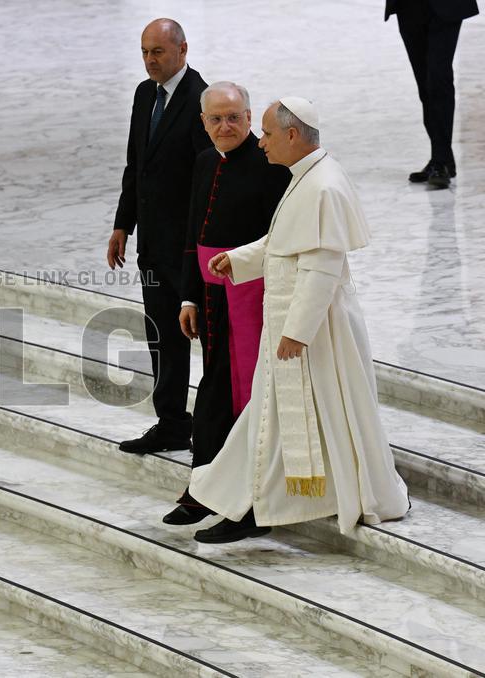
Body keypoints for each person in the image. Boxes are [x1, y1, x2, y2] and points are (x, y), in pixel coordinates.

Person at [189, 97, 410, 544]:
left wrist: (296, 333)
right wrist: (241, 260)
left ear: (292, 135)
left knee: (289, 418)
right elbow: (284, 241)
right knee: (277, 419)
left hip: (314, 332)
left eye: (267, 134)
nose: (262, 143)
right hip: (297, 325)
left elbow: (322, 267)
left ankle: (255, 507)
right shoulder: (305, 176)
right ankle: (254, 503)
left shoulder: (323, 186)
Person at [163, 82, 291, 526]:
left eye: (234, 117)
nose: (225, 126)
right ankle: (205, 487)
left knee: (241, 395)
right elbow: (192, 235)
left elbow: (281, 238)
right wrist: (188, 296)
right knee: (214, 393)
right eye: (216, 118)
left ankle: (248, 495)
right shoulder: (202, 163)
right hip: (211, 297)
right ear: (204, 122)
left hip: (252, 298)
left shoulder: (270, 164)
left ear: (251, 118)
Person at [108, 18, 212, 455]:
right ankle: (171, 422)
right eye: (146, 52)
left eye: (159, 52)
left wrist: (198, 245)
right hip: (152, 245)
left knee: (208, 342)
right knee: (162, 339)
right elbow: (138, 165)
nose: (151, 60)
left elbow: (206, 181)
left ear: (182, 50)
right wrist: (122, 224)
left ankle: (218, 430)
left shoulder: (203, 101)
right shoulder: (143, 94)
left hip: (189, 250)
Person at [386, 0, 479, 188]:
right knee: (425, 86)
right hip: (409, 7)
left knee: (438, 79)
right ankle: (442, 159)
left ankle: (440, 161)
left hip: (447, 5)